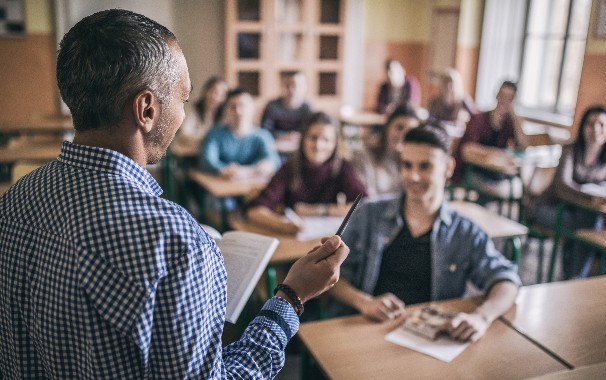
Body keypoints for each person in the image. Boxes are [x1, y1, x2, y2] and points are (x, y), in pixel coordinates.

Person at [0, 9, 350, 378]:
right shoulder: (175, 244)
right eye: (183, 99)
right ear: (147, 109)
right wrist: (290, 298)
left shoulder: (15, 199)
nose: (183, 114)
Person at [328, 124, 521, 342]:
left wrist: (481, 318)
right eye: (407, 165)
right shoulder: (369, 215)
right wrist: (364, 302)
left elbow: (506, 280)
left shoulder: (464, 231)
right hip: (368, 331)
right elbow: (333, 277)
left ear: (448, 168)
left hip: (431, 338)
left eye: (425, 166)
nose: (414, 176)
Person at [527, 105, 606, 280]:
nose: (595, 129)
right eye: (590, 124)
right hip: (549, 208)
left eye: (601, 125)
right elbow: (562, 187)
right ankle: (574, 277)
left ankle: (573, 275)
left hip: (581, 214)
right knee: (591, 225)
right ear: (582, 127)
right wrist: (591, 198)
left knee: (590, 223)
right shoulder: (570, 150)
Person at [246, 112, 366, 235]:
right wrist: (284, 226)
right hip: (294, 240)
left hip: (328, 239)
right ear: (303, 139)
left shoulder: (342, 167)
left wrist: (318, 210)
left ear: (335, 144)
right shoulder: (289, 168)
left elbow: (364, 204)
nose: (318, 145)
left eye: (326, 140)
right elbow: (255, 210)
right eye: (313, 138)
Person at [453, 80, 527, 202]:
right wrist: (496, 153)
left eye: (510, 98)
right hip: (472, 169)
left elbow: (524, 146)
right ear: (497, 95)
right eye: (503, 96)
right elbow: (467, 149)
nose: (504, 101)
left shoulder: (509, 123)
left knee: (518, 185)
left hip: (494, 171)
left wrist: (515, 116)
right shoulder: (479, 119)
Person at [199, 87, 281, 180]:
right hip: (223, 187)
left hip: (253, 187)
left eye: (242, 106)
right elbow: (207, 161)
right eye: (233, 107)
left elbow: (273, 160)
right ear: (226, 110)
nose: (238, 111)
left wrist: (249, 170)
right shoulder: (214, 134)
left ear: (252, 108)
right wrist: (223, 170)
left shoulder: (263, 136)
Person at [350, 104, 421, 197]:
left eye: (410, 131)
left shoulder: (414, 164)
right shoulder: (363, 156)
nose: (403, 135)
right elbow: (364, 198)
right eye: (399, 127)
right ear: (388, 127)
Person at [176, 75, 228, 150]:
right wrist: (208, 138)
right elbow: (184, 134)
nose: (214, 97)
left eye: (220, 94)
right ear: (205, 91)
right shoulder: (193, 110)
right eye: (213, 91)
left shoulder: (226, 115)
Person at [261, 71, 313, 141]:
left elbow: (313, 131)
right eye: (287, 85)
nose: (291, 89)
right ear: (282, 86)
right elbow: (264, 131)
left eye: (295, 85)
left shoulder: (308, 108)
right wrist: (282, 136)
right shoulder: (272, 106)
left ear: (304, 87)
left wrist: (298, 136)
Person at [427, 68, 477, 135]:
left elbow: (475, 118)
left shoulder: (463, 100)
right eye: (445, 83)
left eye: (451, 83)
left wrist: (464, 123)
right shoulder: (435, 101)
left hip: (456, 135)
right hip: (438, 134)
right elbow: (430, 120)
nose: (448, 87)